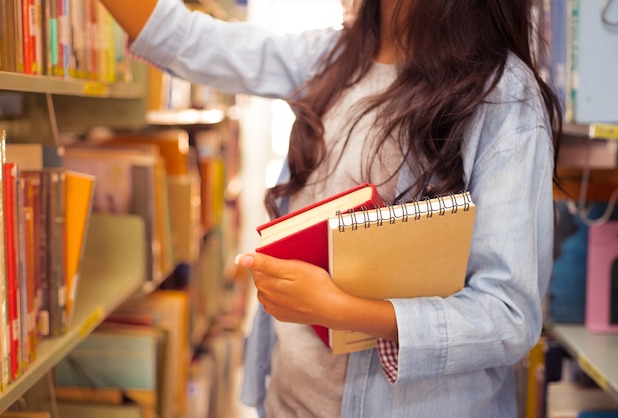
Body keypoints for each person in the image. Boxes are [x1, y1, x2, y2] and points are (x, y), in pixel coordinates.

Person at [99, 0, 562, 416]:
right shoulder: (333, 57)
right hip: (286, 399)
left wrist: (343, 309)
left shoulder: (502, 97)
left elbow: (508, 317)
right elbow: (188, 40)